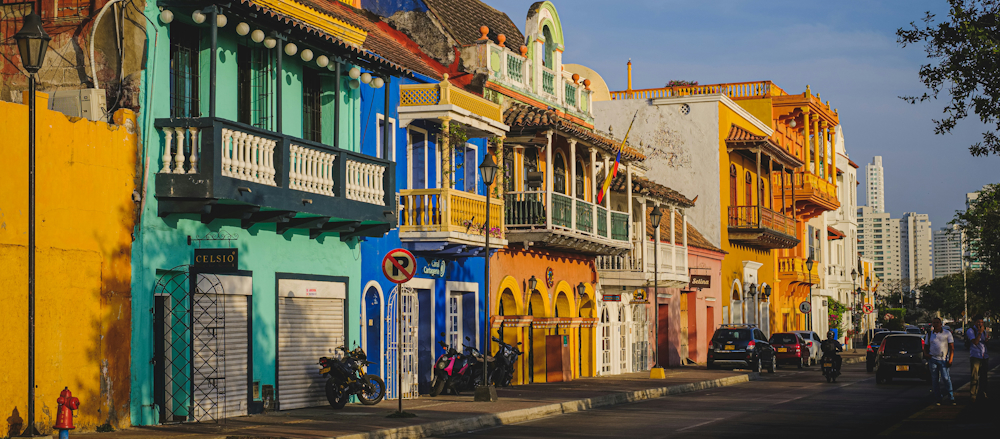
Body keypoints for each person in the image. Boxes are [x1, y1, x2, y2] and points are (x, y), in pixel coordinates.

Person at [924, 317, 955, 405]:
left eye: (937, 323)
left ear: (941, 324)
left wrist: (950, 359)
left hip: (943, 359)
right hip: (932, 359)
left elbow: (951, 347)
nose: (936, 324)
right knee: (935, 380)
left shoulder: (947, 333)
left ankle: (951, 397)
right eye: (934, 323)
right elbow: (925, 346)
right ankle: (938, 398)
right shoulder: (930, 334)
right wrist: (926, 354)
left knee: (946, 378)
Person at [965, 314, 990, 403]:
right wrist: (979, 332)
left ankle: (983, 392)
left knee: (984, 376)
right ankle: (973, 395)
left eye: (982, 322)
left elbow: (984, 341)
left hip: (984, 355)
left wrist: (986, 338)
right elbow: (975, 342)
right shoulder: (971, 331)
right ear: (975, 323)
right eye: (979, 322)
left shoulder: (983, 331)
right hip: (975, 355)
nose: (980, 324)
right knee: (974, 376)